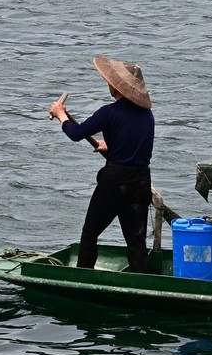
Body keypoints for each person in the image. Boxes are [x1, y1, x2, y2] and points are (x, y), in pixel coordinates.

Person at [49, 56, 155, 273]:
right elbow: (136, 146)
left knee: (90, 233)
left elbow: (76, 134)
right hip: (141, 181)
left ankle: (83, 278)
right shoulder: (147, 116)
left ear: (117, 88)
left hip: (115, 182)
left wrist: (61, 115)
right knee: (136, 241)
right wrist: (112, 147)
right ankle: (140, 282)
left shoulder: (110, 112)